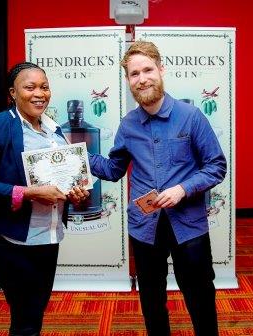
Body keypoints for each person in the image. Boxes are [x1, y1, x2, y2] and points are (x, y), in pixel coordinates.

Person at [89, 41, 227, 336]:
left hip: (188, 226)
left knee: (200, 295)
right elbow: (113, 169)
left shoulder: (191, 116)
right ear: (128, 81)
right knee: (151, 298)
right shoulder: (128, 125)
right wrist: (78, 157)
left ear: (161, 70)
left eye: (147, 70)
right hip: (144, 226)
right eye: (134, 74)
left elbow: (216, 166)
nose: (142, 78)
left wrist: (183, 189)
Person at [0, 62, 89, 336]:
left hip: (49, 235)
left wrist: (75, 192)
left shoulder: (54, 131)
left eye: (44, 87)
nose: (39, 93)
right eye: (30, 87)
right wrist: (29, 192)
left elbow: (62, 180)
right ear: (13, 92)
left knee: (35, 312)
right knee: (24, 319)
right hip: (11, 238)